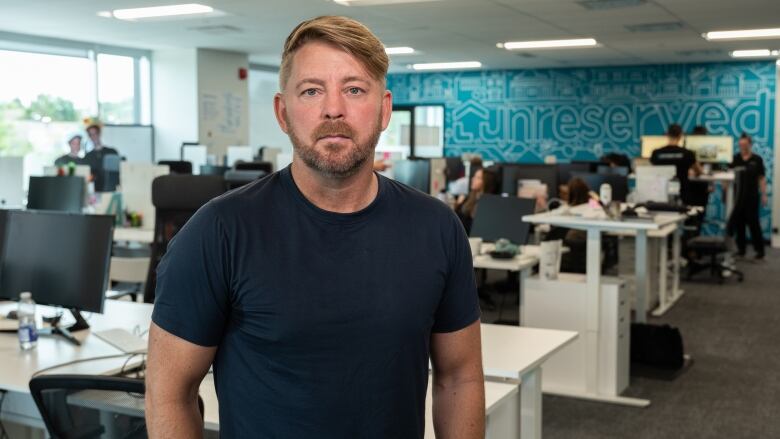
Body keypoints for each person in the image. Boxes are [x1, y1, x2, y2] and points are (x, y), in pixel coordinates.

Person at [145, 15, 484, 439]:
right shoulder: (218, 231)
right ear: (283, 112)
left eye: (355, 89)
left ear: (384, 110)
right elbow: (168, 393)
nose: (333, 108)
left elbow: (460, 377)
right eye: (311, 90)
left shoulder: (437, 228)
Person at [729, 133, 767, 260]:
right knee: (739, 224)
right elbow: (727, 178)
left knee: (753, 223)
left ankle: (759, 251)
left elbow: (761, 178)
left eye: (745, 145)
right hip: (737, 197)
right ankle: (741, 250)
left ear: (750, 144)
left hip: (752, 196)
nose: (742, 147)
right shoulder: (735, 159)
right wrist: (725, 192)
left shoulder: (757, 159)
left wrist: (764, 195)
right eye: (740, 145)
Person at [650, 123, 702, 204]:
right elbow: (699, 171)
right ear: (681, 135)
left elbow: (654, 171)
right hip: (682, 193)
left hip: (661, 192)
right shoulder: (687, 153)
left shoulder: (656, 153)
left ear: (667, 135)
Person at [454, 166, 498, 234]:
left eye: (478, 178)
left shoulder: (488, 204)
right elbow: (457, 219)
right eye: (474, 176)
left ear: (486, 182)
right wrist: (458, 204)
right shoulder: (470, 197)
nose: (473, 179)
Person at [83, 123, 119, 190]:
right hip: (95, 191)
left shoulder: (112, 152)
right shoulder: (88, 156)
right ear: (89, 137)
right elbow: (88, 176)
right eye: (91, 135)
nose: (94, 136)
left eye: (95, 133)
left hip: (112, 190)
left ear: (99, 134)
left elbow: (118, 173)